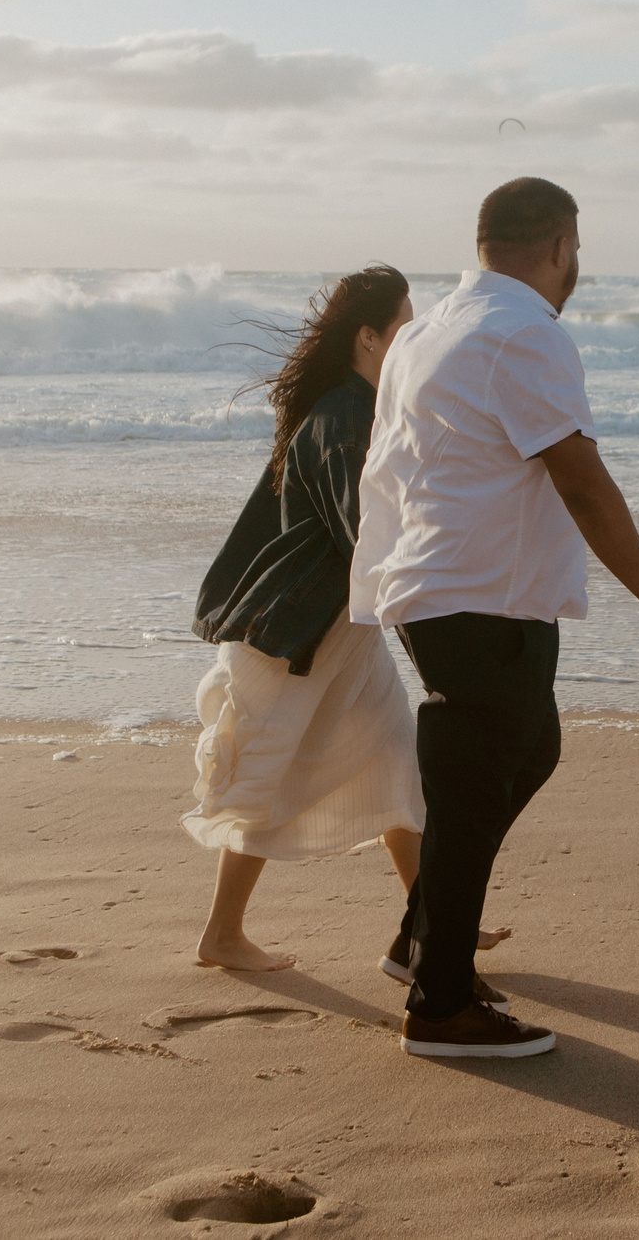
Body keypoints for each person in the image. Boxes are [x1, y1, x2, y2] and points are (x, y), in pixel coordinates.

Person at [352, 177, 639, 1058]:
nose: (576, 267)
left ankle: (419, 940)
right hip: (480, 592)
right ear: (558, 246)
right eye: (575, 251)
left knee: (527, 749)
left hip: (433, 585)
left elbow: (390, 466)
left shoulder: (426, 330)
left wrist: (385, 580)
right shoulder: (525, 334)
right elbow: (581, 480)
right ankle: (440, 1007)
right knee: (476, 785)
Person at [185, 265, 512, 976]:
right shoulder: (343, 415)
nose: (415, 335)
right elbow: (367, 534)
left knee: (398, 763)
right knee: (262, 773)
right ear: (368, 337)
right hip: (291, 634)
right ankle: (222, 934)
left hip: (341, 630)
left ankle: (435, 920)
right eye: (404, 324)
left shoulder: (365, 408)